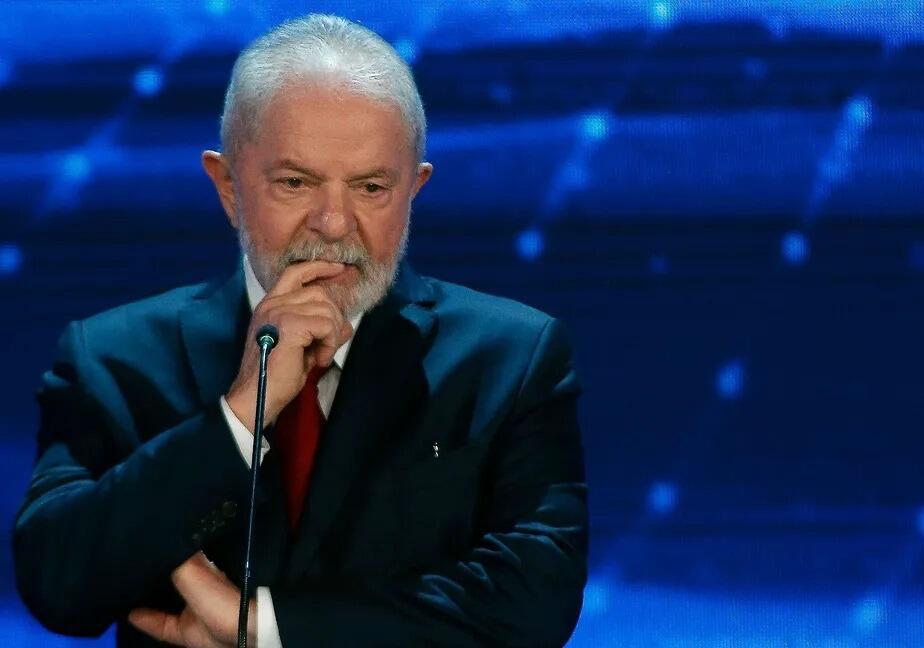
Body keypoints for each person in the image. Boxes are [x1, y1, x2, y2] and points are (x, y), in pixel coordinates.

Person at [14, 14, 588, 647]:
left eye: (371, 187)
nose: (334, 223)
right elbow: (57, 586)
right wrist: (237, 417)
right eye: (295, 182)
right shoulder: (113, 358)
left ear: (414, 189)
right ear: (228, 186)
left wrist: (265, 626)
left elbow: (535, 599)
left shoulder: (511, 358)